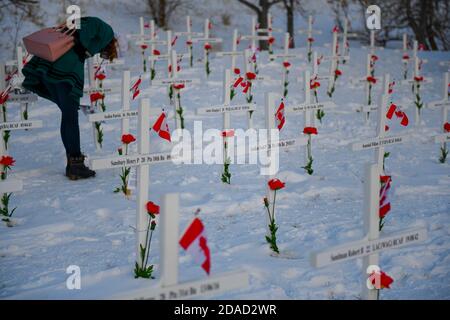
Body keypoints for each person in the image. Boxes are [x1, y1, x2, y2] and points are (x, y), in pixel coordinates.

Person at [22, 17, 118, 180]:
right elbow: (83, 34)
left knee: (68, 115)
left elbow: (75, 31)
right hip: (64, 68)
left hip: (50, 63)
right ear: (110, 43)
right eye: (103, 52)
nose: (98, 52)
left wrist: (82, 50)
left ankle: (72, 163)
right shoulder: (106, 30)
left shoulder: (81, 25)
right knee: (70, 117)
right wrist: (81, 50)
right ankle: (76, 165)